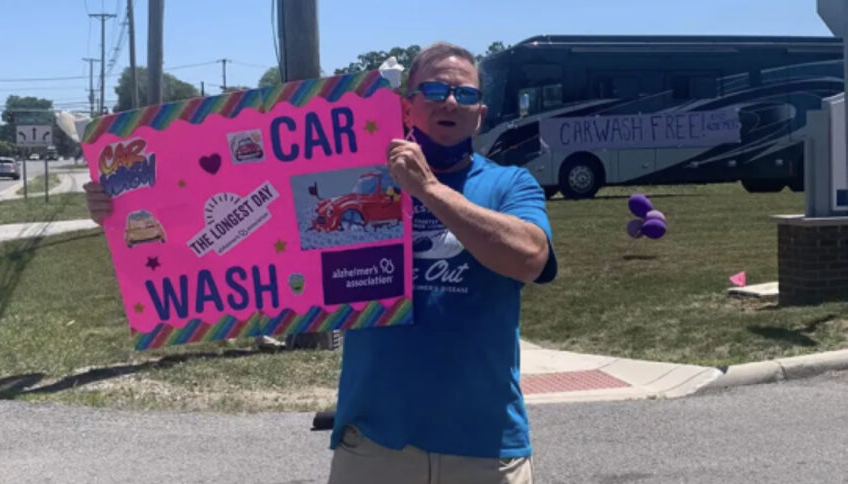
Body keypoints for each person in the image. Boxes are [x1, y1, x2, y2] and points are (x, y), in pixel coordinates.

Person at [84, 41, 557, 484]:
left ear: (480, 113)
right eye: (434, 89)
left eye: (464, 93)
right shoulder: (350, 175)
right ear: (407, 106)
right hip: (374, 442)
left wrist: (428, 190)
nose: (449, 101)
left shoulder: (509, 186)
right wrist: (127, 204)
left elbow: (531, 259)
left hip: (486, 443)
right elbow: (240, 214)